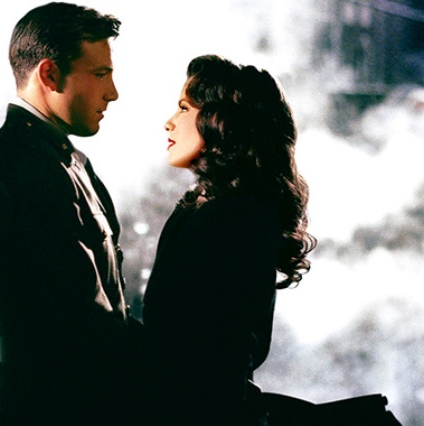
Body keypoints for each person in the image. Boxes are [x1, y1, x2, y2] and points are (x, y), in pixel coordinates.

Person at [0, 3, 141, 425]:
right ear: (49, 74)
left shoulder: (64, 160)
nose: (112, 92)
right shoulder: (17, 161)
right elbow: (77, 316)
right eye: (100, 74)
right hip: (51, 406)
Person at [140, 55, 317, 426]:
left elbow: (208, 353)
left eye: (184, 108)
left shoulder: (235, 216)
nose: (169, 122)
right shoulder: (210, 206)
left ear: (220, 122)